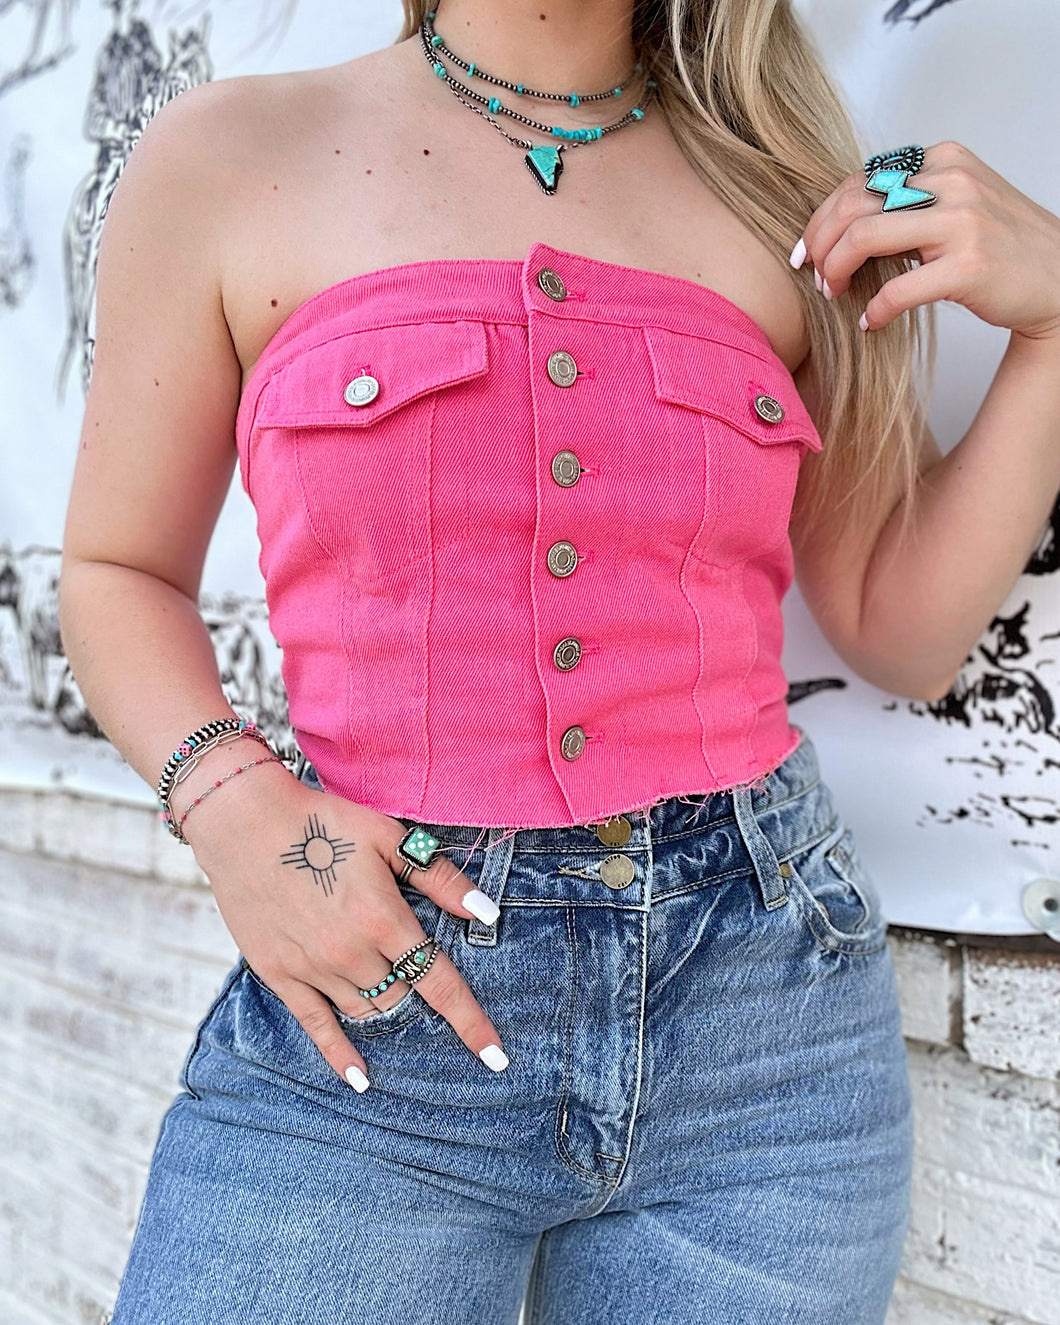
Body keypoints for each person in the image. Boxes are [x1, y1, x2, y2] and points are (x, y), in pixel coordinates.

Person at [58, 1, 1060, 1322]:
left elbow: (900, 623)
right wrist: (231, 803)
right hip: (379, 1011)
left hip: (766, 1039)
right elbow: (117, 570)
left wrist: (1054, 330)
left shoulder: (781, 197)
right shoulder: (227, 155)